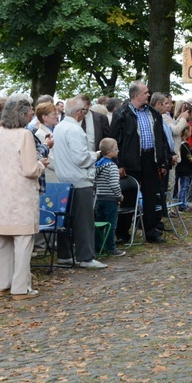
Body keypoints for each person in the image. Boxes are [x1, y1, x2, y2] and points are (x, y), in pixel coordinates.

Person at [0, 94, 47, 299]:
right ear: (22, 114)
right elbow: (30, 169)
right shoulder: (24, 135)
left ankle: (1, 284)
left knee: (0, 240)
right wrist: (42, 164)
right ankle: (21, 288)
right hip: (21, 195)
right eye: (29, 109)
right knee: (23, 242)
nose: (32, 112)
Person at [109, 82, 169, 244]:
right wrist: (119, 163)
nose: (149, 95)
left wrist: (163, 162)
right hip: (130, 161)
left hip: (151, 159)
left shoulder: (154, 113)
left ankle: (150, 231)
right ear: (136, 95)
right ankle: (122, 233)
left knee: (150, 196)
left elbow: (161, 140)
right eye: (145, 92)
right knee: (129, 197)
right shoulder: (122, 113)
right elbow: (114, 140)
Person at [53, 97, 108, 269]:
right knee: (84, 221)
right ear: (79, 112)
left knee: (65, 220)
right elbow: (81, 158)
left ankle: (65, 254)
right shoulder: (75, 130)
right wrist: (96, 154)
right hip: (79, 180)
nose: (85, 114)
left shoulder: (59, 127)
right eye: (84, 110)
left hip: (64, 179)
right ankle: (86, 257)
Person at [94, 138, 125, 257]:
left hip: (100, 198)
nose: (118, 151)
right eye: (116, 148)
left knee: (99, 223)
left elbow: (95, 182)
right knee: (111, 224)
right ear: (108, 152)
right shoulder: (112, 167)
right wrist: (119, 196)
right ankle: (111, 247)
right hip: (111, 199)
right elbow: (114, 184)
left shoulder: (98, 165)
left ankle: (98, 246)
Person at [33, 102, 59, 182]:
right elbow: (49, 159)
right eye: (54, 114)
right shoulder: (40, 134)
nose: (57, 117)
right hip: (51, 177)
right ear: (44, 117)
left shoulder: (54, 131)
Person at [175, 124, 192, 211]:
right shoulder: (184, 145)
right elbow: (189, 158)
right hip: (185, 169)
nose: (191, 133)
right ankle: (182, 204)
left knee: (182, 186)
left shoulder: (180, 144)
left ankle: (182, 203)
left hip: (181, 168)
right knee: (184, 187)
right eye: (190, 131)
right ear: (186, 132)